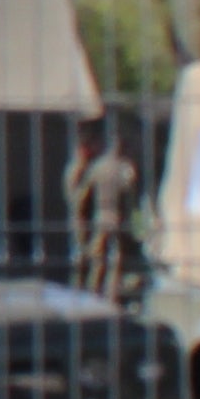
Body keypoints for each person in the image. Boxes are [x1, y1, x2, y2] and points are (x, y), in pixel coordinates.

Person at [65, 120, 146, 306]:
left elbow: (84, 196)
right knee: (115, 260)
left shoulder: (97, 167)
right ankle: (111, 295)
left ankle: (93, 293)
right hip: (118, 218)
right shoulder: (126, 169)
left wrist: (81, 216)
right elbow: (133, 195)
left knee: (98, 259)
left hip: (100, 218)